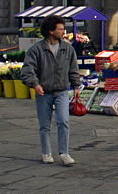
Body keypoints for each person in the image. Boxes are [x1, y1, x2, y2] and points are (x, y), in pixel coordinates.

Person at [21, 15, 81, 166]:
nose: (63, 31)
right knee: (44, 125)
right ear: (50, 31)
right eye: (60, 29)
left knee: (64, 121)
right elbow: (27, 70)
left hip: (61, 91)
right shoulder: (36, 49)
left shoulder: (67, 48)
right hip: (44, 92)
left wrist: (75, 86)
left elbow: (73, 69)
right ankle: (46, 152)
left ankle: (64, 153)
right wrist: (35, 84)